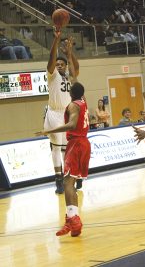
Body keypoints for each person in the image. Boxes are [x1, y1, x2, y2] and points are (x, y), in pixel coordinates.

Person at [36, 82, 91, 237]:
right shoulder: (83, 102)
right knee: (71, 183)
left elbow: (71, 125)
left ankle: (71, 219)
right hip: (85, 143)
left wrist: (48, 130)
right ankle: (74, 220)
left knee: (67, 182)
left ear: (70, 93)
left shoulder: (73, 105)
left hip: (76, 143)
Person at [44, 29, 79, 194]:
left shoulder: (69, 76)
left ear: (65, 66)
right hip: (54, 113)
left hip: (66, 114)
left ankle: (68, 176)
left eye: (61, 64)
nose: (58, 66)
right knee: (56, 148)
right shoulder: (52, 75)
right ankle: (58, 179)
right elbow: (51, 59)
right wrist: (56, 41)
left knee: (66, 149)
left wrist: (70, 53)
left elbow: (76, 69)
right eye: (57, 65)